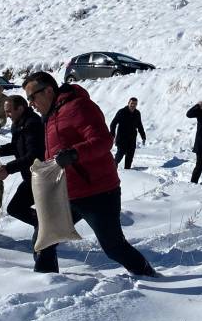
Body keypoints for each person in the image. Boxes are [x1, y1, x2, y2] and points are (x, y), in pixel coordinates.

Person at [23, 72, 157, 276]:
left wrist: (75, 154)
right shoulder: (51, 115)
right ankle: (47, 283)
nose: (31, 103)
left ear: (49, 90)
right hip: (66, 193)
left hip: (98, 192)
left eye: (32, 97)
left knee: (113, 247)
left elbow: (104, 140)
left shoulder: (79, 107)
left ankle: (147, 274)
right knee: (43, 239)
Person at [0, 96, 50, 272]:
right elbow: (16, 147)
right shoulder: (18, 123)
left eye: (10, 110)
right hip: (30, 177)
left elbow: (33, 155)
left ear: (21, 108)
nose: (7, 114)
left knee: (40, 238)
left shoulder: (33, 124)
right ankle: (41, 221)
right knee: (15, 208)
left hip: (41, 178)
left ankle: (43, 268)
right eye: (6, 111)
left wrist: (8, 169)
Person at [109, 97, 146, 169]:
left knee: (129, 159)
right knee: (119, 156)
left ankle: (127, 174)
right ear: (128, 103)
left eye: (135, 104)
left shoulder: (137, 113)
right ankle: (112, 169)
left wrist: (143, 136)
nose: (133, 105)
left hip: (132, 140)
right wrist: (112, 135)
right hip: (122, 139)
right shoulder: (121, 112)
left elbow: (139, 125)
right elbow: (113, 123)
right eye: (132, 103)